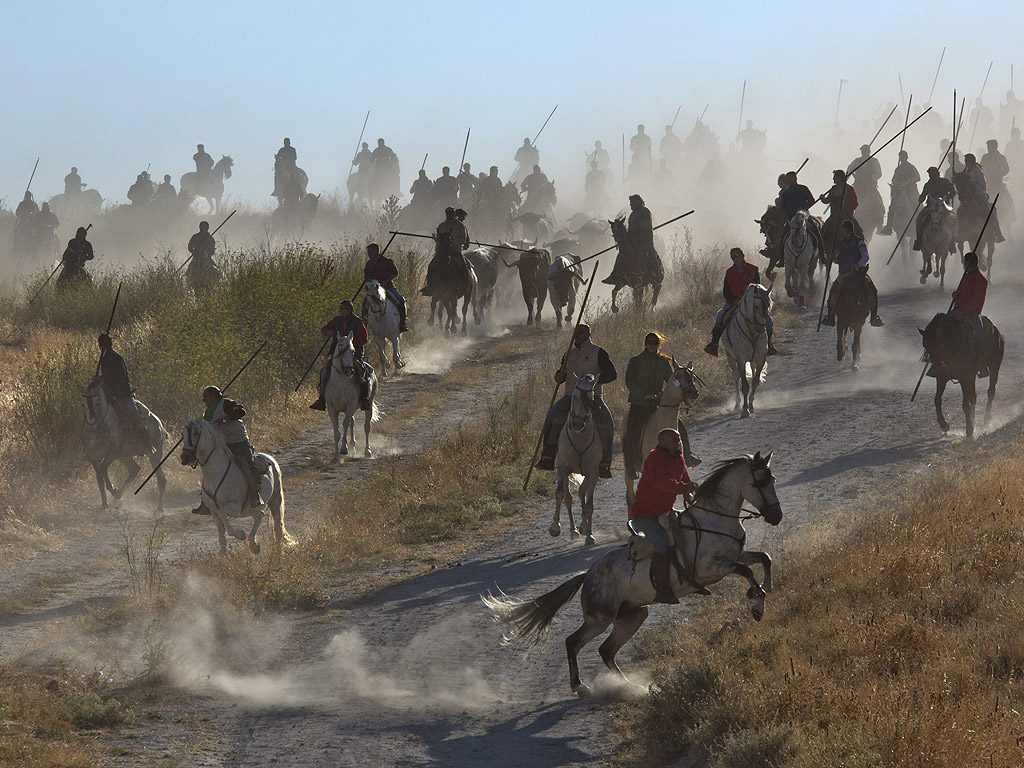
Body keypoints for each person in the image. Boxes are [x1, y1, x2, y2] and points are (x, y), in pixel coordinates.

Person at [536, 324, 617, 478]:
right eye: (575, 332)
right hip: (571, 395)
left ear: (588, 334)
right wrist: (559, 377)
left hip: (593, 396)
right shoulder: (568, 354)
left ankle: (605, 464)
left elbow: (612, 374)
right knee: (552, 417)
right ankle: (547, 457)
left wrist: (595, 380)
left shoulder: (599, 352)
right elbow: (563, 374)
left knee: (608, 423)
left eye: (580, 332)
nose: (577, 335)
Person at [628, 428, 698, 604]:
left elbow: (685, 478)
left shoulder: (678, 457)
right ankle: (662, 590)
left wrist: (689, 491)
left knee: (685, 535)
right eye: (675, 439)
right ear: (664, 441)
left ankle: (689, 578)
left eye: (679, 439)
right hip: (644, 516)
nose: (678, 442)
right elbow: (661, 483)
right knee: (661, 542)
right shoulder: (654, 458)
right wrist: (684, 488)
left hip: (664, 512)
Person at [192, 385, 264, 515]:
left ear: (213, 396)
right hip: (222, 445)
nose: (203, 400)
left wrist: (225, 419)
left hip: (238, 441)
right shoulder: (207, 414)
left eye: (205, 396)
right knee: (210, 469)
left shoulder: (226, 403)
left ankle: (255, 495)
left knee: (248, 465)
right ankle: (206, 502)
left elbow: (240, 411)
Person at [704, 247, 777, 356]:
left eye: (737, 256)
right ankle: (714, 345)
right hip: (733, 303)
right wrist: (735, 300)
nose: (735, 259)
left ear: (743, 255)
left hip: (751, 303)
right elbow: (726, 291)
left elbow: (758, 288)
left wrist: (749, 300)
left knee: (768, 321)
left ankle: (769, 345)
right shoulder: (729, 272)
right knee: (720, 317)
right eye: (733, 257)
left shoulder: (753, 269)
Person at [623, 332, 674, 480]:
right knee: (631, 431)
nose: (652, 345)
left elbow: (670, 382)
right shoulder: (636, 361)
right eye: (650, 343)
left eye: (655, 343)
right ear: (645, 343)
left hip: (658, 405)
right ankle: (631, 464)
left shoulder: (664, 363)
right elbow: (629, 382)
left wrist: (662, 395)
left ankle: (688, 455)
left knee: (679, 426)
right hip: (639, 404)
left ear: (659, 345)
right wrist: (644, 394)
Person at [310, 300, 372, 411]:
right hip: (337, 354)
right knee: (324, 372)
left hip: (354, 353)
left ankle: (364, 399)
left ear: (350, 310)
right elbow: (324, 329)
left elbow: (364, 338)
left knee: (363, 371)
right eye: (341, 309)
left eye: (346, 309)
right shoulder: (336, 321)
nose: (343, 311)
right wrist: (328, 332)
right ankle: (322, 399)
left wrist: (350, 344)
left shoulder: (358, 322)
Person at [820, 220, 884, 328]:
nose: (841, 231)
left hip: (858, 274)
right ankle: (830, 316)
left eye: (843, 229)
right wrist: (832, 258)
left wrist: (859, 265)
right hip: (844, 273)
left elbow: (865, 256)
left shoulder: (859, 242)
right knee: (833, 291)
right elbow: (838, 259)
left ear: (847, 230)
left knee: (873, 291)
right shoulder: (841, 243)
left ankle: (874, 317)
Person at [944, 250, 989, 376]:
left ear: (969, 263)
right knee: (942, 327)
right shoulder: (966, 276)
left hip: (972, 313)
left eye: (965, 263)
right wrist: (956, 296)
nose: (964, 265)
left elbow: (976, 300)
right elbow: (963, 295)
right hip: (958, 309)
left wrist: (963, 312)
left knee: (980, 335)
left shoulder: (981, 280)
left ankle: (982, 364)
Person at [96, 333, 144, 436]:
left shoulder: (115, 357)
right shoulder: (104, 358)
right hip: (109, 391)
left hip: (122, 392)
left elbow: (118, 376)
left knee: (133, 414)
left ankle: (145, 439)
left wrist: (103, 379)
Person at [362, 242, 408, 332]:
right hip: (374, 289)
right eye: (368, 252)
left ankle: (402, 323)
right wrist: (374, 281)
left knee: (401, 300)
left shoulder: (387, 261)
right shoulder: (369, 264)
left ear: (376, 251)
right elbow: (366, 277)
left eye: (370, 252)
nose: (368, 254)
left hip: (388, 287)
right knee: (364, 304)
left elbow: (395, 273)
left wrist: (385, 281)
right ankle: (365, 324)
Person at [914, 167, 957, 252]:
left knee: (953, 220)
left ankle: (952, 241)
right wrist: (921, 198)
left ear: (937, 174)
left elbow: (953, 192)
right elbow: (923, 195)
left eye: (931, 174)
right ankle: (919, 241)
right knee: (919, 219)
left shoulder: (945, 182)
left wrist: (947, 198)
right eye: (929, 174)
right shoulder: (928, 184)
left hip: (943, 207)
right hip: (930, 207)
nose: (930, 176)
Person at [880, 150, 921, 235]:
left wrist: (908, 182)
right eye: (900, 157)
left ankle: (921, 225)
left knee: (918, 207)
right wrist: (898, 183)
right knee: (892, 207)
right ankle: (889, 227)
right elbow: (893, 179)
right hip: (900, 191)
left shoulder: (911, 167)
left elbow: (918, 177)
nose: (902, 159)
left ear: (906, 157)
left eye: (903, 157)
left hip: (911, 191)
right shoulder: (898, 169)